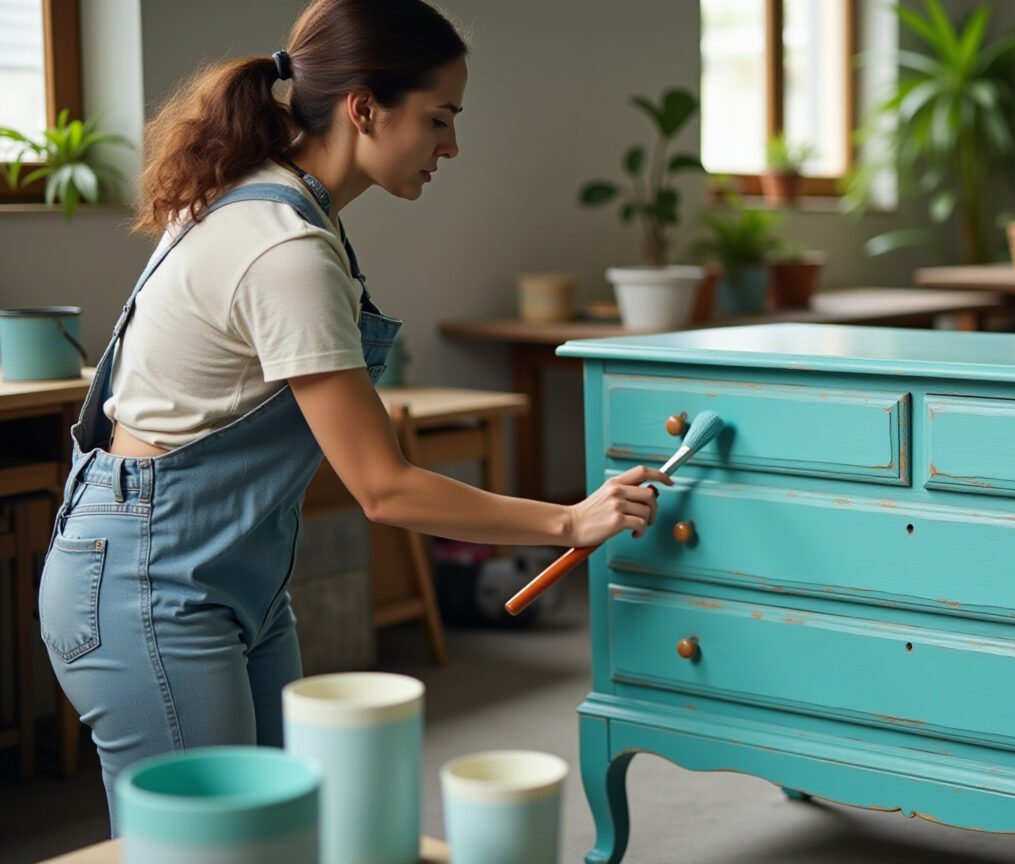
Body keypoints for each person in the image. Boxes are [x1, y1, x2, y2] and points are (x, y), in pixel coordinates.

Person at [36, 0, 668, 829]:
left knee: (278, 833)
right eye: (439, 119)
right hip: (151, 585)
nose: (451, 146)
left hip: (233, 577)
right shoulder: (283, 247)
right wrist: (570, 522)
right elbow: (384, 489)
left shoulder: (280, 208)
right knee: (210, 847)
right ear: (364, 108)